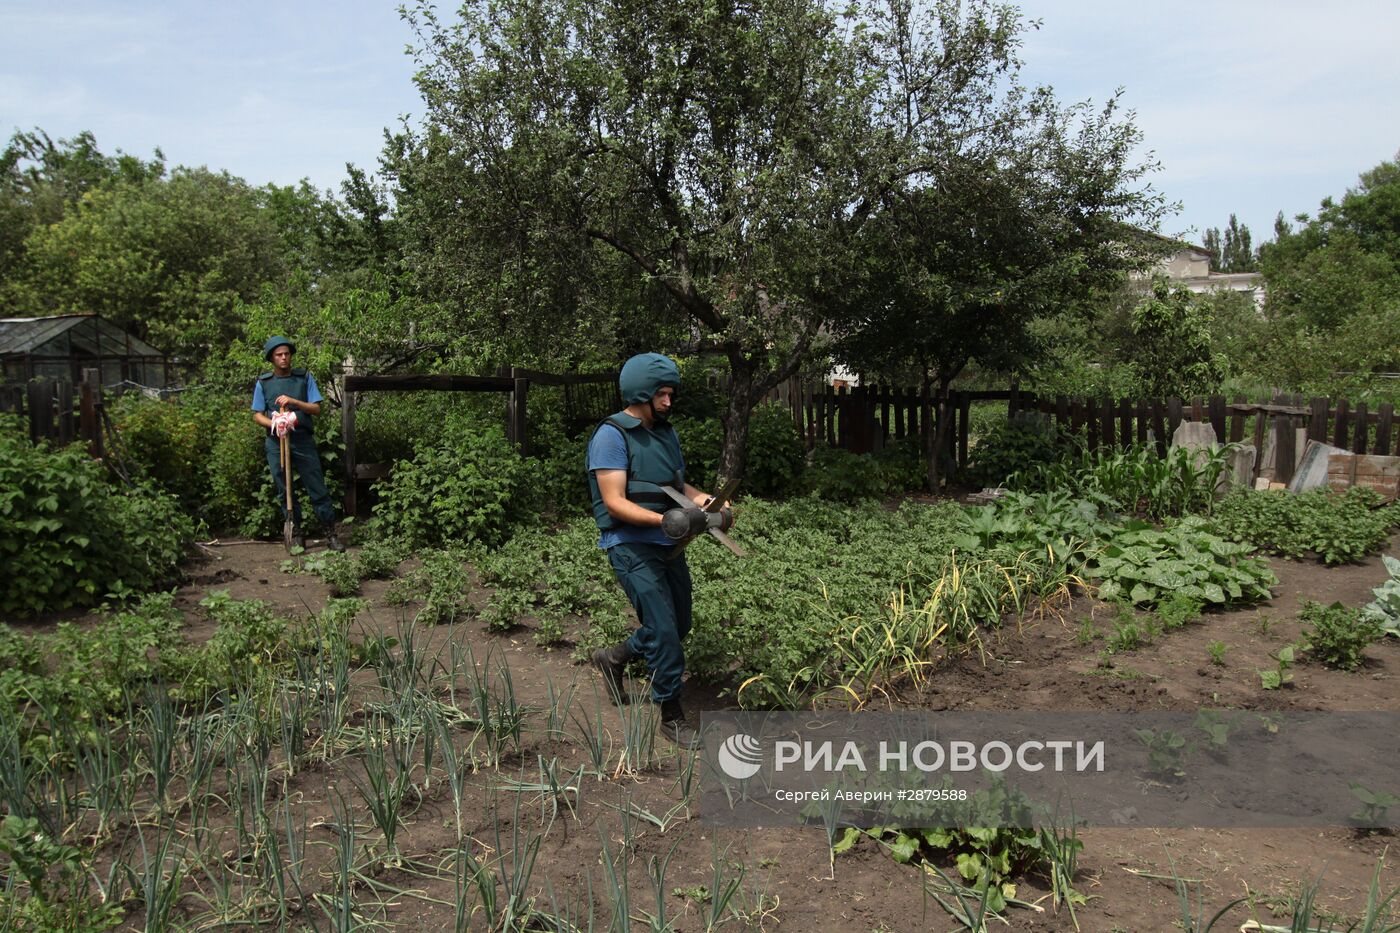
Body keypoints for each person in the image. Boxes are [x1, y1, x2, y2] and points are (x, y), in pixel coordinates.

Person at [587, 353, 734, 748]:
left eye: (671, 393)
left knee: (678, 625)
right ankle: (671, 714)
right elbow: (615, 501)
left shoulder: (665, 433)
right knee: (666, 631)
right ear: (641, 393)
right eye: (662, 394)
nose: (669, 401)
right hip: (630, 545)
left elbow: (676, 487)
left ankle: (614, 657)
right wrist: (663, 521)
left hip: (669, 542)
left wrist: (705, 501)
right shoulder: (611, 436)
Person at [251, 336, 344, 552]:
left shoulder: (304, 378)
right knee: (285, 489)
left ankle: (330, 534)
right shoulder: (264, 383)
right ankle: (297, 533)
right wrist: (275, 424)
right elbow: (257, 415)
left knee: (316, 486)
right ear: (271, 358)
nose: (284, 358)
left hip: (302, 440)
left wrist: (293, 402)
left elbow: (316, 409)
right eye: (278, 355)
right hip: (277, 443)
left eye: (286, 354)